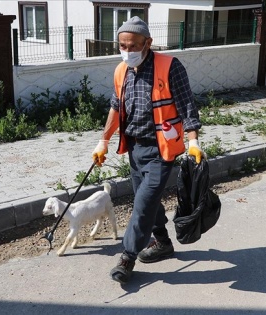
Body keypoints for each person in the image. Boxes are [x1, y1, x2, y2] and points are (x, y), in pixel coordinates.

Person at [92, 16, 204, 284]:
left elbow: (187, 104)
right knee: (148, 202)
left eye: (132, 46)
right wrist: (104, 140)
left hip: (160, 151)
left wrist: (193, 141)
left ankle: (127, 257)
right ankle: (163, 243)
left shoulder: (169, 67)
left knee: (141, 205)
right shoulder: (121, 70)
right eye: (122, 45)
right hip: (134, 149)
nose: (127, 51)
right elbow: (116, 107)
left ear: (148, 43)